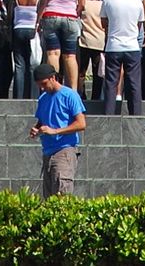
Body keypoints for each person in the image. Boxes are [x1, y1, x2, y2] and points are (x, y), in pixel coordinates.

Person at [29, 61, 87, 197]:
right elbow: (43, 119)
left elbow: (81, 123)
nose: (42, 88)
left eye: (44, 84)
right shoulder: (43, 98)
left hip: (64, 151)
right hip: (47, 153)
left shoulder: (70, 95)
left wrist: (55, 131)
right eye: (39, 85)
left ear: (53, 78)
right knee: (49, 199)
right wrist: (36, 129)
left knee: (62, 195)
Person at [100, 0, 145, 114]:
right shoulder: (138, 2)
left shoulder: (108, 0)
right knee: (134, 84)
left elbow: (104, 23)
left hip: (113, 45)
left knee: (111, 83)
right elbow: (139, 25)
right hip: (132, 46)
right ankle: (135, 114)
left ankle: (109, 114)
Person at [37, 0, 84, 89]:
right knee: (70, 55)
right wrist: (75, 13)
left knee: (53, 53)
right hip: (70, 17)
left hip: (51, 15)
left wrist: (38, 19)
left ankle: (53, 85)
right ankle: (74, 90)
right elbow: (82, 2)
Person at [12, 0, 39, 99]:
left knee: (19, 65)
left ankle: (18, 96)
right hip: (32, 30)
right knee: (32, 64)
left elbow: (11, 15)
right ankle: (33, 95)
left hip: (18, 29)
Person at [77, 0, 105, 100]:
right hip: (100, 42)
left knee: (81, 72)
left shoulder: (84, 5)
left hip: (84, 41)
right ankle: (96, 97)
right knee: (97, 73)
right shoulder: (103, 5)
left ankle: (81, 95)